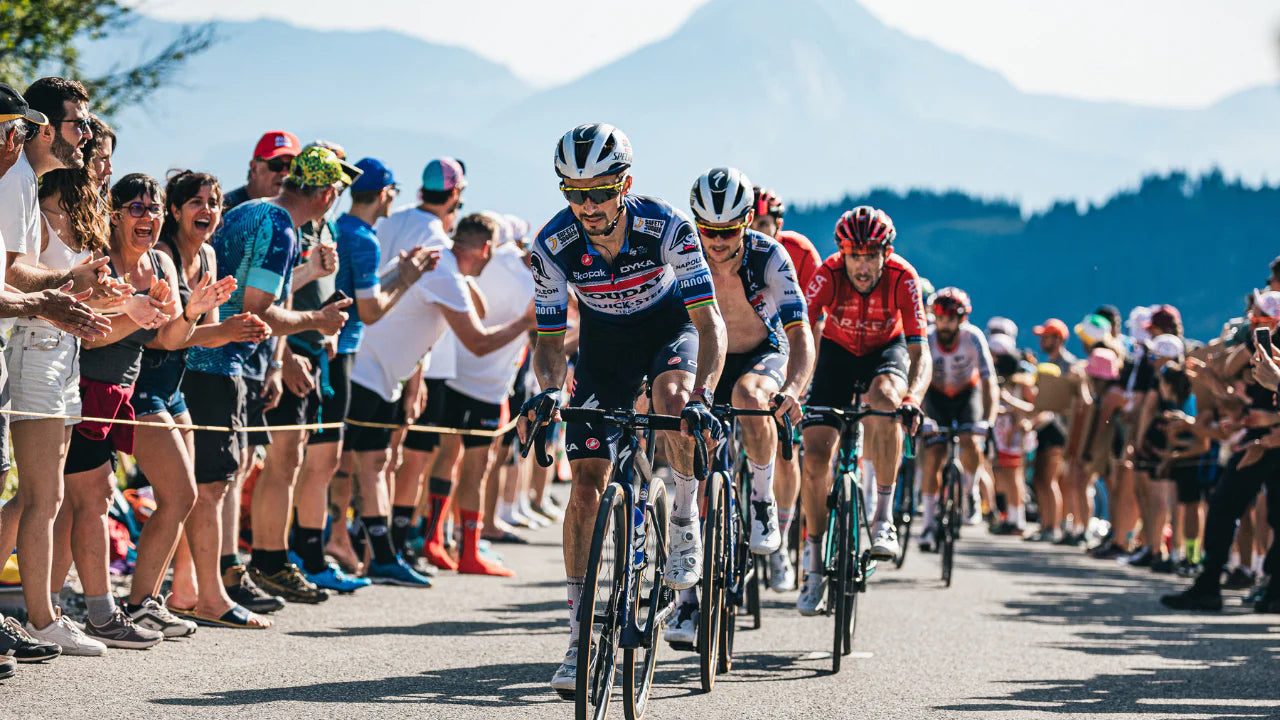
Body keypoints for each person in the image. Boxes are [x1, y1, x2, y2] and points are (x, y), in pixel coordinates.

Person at [519, 123, 727, 694]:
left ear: (625, 184)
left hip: (669, 332)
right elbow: (547, 338)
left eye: (599, 192)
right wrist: (552, 389)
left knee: (673, 402)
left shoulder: (669, 229)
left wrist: (705, 394)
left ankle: (683, 523)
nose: (586, 205)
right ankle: (578, 635)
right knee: (586, 481)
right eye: (574, 193)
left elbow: (710, 324)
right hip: (603, 348)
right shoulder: (551, 246)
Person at [181, 146, 350, 627]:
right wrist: (318, 319)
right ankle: (207, 591)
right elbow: (257, 309)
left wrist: (309, 279)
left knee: (218, 481)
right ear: (326, 194)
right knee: (211, 485)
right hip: (215, 363)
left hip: (209, 358)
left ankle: (212, 581)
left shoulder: (257, 210)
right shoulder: (280, 226)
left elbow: (251, 292)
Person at [56, 172, 214, 649]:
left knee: (74, 503)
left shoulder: (160, 268)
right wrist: (134, 312)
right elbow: (88, 332)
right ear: (116, 212)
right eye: (137, 209)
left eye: (154, 210)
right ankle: (87, 611)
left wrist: (191, 312)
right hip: (82, 387)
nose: (148, 217)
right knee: (76, 499)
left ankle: (53, 607)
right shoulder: (98, 260)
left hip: (120, 395)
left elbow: (166, 340)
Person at [663, 168, 813, 645]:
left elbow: (800, 333)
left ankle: (763, 501)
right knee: (693, 462)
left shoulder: (771, 255)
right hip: (706, 355)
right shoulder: (683, 251)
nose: (717, 241)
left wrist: (793, 387)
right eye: (707, 229)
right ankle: (686, 603)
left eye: (728, 231)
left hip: (760, 354)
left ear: (748, 220)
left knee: (750, 398)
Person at [346, 212, 531, 586]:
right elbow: (478, 342)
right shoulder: (445, 271)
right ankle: (348, 551)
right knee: (343, 466)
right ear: (484, 249)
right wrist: (526, 323)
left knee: (376, 463)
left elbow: (472, 309)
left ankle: (381, 557)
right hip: (365, 370)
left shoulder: (447, 266)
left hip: (381, 373)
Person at [0, 79, 116, 663]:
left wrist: (97, 295)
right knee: (40, 498)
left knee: (33, 499)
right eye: (79, 125)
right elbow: (16, 276)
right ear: (44, 126)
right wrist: (71, 285)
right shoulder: (20, 177)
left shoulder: (27, 178)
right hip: (33, 347)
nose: (88, 136)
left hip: (54, 349)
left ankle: (32, 614)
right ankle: (42, 618)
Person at [290, 157, 435, 592]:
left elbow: (357, 293)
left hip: (337, 352)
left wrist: (397, 271)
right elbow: (370, 311)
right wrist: (407, 278)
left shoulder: (346, 230)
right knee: (326, 461)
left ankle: (336, 551)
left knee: (344, 461)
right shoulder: (364, 239)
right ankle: (311, 554)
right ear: (386, 193)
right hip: (340, 354)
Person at [131, 171, 268, 632]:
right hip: (142, 383)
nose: (207, 210)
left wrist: (236, 329)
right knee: (182, 494)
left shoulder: (208, 255)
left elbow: (198, 338)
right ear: (174, 210)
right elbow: (163, 339)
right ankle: (143, 601)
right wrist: (220, 328)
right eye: (195, 202)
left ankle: (162, 598)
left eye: (213, 203)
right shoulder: (162, 257)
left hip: (175, 386)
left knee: (186, 498)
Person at [327, 156, 466, 571]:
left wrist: (414, 373)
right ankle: (337, 542)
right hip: (363, 359)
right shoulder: (422, 238)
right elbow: (372, 309)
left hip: (374, 362)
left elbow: (370, 291)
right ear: (455, 195)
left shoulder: (383, 225)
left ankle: (375, 551)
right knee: (345, 459)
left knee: (371, 461)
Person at [796, 205, 929, 614]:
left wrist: (914, 400)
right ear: (842, 253)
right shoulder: (828, 275)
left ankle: (883, 517)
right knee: (816, 458)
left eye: (871, 255)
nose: (863, 265)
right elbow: (799, 328)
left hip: (883, 354)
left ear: (885, 254)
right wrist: (795, 386)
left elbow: (919, 352)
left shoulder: (903, 278)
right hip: (835, 354)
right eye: (855, 255)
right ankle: (814, 564)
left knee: (886, 400)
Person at [417, 211, 535, 577]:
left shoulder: (498, 258)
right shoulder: (518, 267)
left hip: (480, 382)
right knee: (466, 468)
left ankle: (449, 542)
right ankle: (451, 544)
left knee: (457, 465)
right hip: (467, 379)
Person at [1162, 292, 1280, 613]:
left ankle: (1249, 585)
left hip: (1267, 440)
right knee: (1233, 507)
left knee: (1234, 507)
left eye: (1256, 315)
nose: (1249, 318)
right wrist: (1214, 384)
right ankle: (1222, 582)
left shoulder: (1264, 350)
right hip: (1256, 435)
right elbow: (1238, 399)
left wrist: (1270, 429)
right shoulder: (1254, 348)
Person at [749, 184, 821, 591]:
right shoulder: (732, 250)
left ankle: (780, 545)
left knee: (785, 445)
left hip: (789, 349)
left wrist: (802, 382)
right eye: (752, 223)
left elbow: (812, 325)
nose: (756, 231)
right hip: (745, 353)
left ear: (777, 225)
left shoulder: (798, 253)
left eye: (764, 224)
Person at [917, 287, 996, 551]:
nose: (945, 323)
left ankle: (970, 491)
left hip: (966, 394)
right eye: (940, 317)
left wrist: (989, 420)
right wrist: (921, 415)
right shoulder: (926, 338)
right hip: (936, 395)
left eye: (951, 318)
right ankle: (928, 523)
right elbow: (915, 379)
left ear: (962, 319)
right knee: (935, 453)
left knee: (971, 441)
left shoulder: (973, 338)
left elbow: (989, 382)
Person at [1025, 318, 1075, 542]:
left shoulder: (1068, 366)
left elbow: (1065, 402)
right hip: (1047, 428)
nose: (1042, 341)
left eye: (1046, 337)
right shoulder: (1051, 363)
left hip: (1059, 429)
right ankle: (1046, 524)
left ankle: (1054, 526)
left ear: (1058, 339)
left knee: (1050, 478)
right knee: (1041, 479)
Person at [223, 131, 301, 209]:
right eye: (276, 164)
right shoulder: (223, 209)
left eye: (292, 166)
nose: (285, 173)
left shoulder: (304, 214)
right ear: (254, 168)